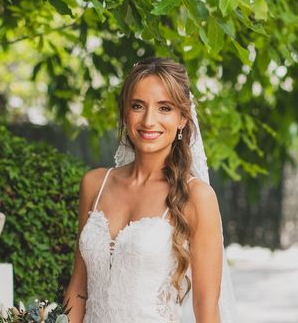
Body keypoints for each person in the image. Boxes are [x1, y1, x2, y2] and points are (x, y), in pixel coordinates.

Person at [63, 57, 235, 322]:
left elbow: (206, 307)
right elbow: (78, 290)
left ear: (182, 118)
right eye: (138, 106)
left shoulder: (197, 197)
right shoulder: (95, 184)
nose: (148, 120)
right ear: (125, 113)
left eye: (164, 108)